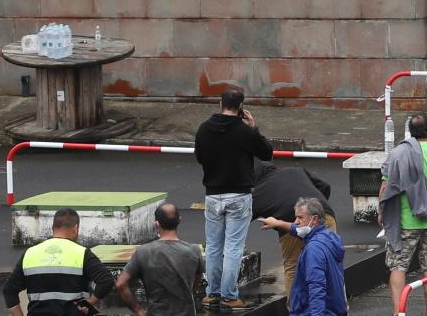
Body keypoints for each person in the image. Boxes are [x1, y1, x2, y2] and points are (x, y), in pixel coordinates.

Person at [195, 87, 273, 311]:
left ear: (220, 103)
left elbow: (200, 157)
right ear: (241, 107)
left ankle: (212, 293)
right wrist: (253, 127)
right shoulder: (244, 131)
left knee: (213, 247)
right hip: (239, 194)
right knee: (233, 248)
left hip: (212, 194)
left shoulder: (203, 129)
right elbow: (267, 153)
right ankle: (229, 296)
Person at [380, 114, 427, 316]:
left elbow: (386, 186)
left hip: (405, 222)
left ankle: (398, 312)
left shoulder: (398, 153)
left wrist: (382, 212)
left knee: (398, 266)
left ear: (411, 132)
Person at [4, 207, 116, 316]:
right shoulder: (82, 253)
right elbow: (106, 280)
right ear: (76, 228)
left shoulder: (30, 253)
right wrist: (89, 303)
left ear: (52, 228)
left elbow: (9, 290)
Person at [251, 162, 335, 304]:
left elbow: (240, 217)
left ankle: (295, 308)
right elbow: (325, 187)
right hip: (324, 215)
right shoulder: (295, 170)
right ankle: (334, 307)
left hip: (290, 223)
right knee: (329, 263)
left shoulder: (259, 191)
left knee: (293, 266)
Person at [115, 202, 203, 316]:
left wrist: (138, 310)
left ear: (157, 224)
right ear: (179, 221)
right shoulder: (194, 250)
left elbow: (120, 284)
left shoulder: (143, 251)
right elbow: (197, 278)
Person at [281, 198, 346, 316]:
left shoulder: (313, 249)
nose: (296, 222)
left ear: (314, 219)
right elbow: (299, 230)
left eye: (300, 217)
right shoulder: (328, 237)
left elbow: (317, 287)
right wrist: (277, 223)